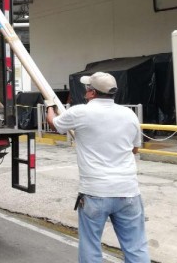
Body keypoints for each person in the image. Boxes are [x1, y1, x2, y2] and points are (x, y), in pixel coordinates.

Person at [46, 72, 150, 262]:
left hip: (95, 192)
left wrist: (50, 107)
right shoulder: (129, 114)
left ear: (92, 93)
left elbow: (55, 124)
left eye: (87, 88)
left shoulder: (80, 112)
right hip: (128, 191)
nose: (85, 91)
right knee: (136, 247)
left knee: (91, 247)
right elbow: (134, 149)